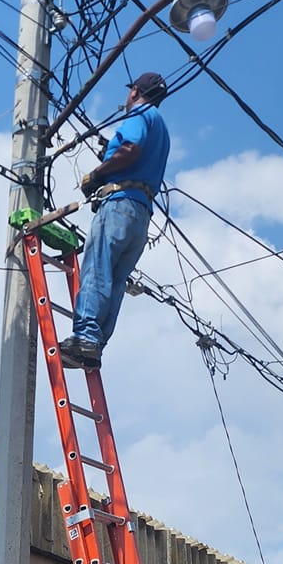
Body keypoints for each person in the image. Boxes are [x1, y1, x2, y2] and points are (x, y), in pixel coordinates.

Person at [59, 71, 171, 372]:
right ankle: (94, 346)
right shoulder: (161, 127)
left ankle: (85, 338)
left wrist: (98, 174)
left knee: (97, 269)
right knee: (116, 280)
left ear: (135, 92)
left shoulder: (139, 114)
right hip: (141, 214)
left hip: (120, 203)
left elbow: (130, 149)